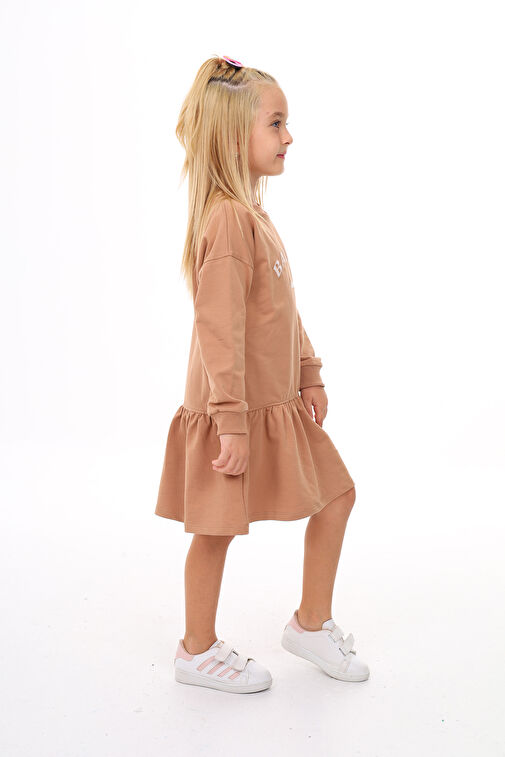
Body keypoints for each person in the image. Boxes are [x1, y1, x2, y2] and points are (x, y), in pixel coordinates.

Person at [155, 55, 369, 693]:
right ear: (232, 137)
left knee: (336, 496)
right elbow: (218, 329)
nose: (289, 136)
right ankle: (195, 651)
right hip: (234, 410)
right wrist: (231, 423)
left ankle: (310, 624)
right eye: (276, 123)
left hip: (274, 403)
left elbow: (282, 309)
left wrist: (309, 371)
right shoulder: (227, 221)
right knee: (216, 529)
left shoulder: (254, 216)